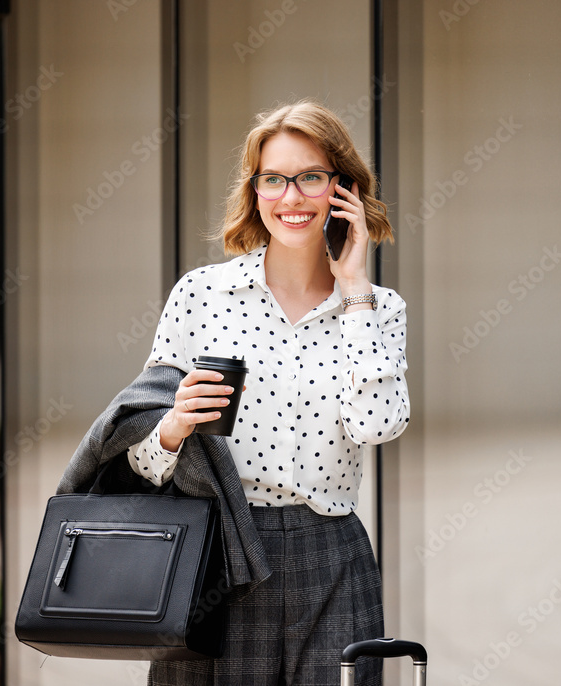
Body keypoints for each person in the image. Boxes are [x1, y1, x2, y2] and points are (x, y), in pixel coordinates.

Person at [59, 100, 409, 685]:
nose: (291, 197)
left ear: (342, 189)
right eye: (273, 179)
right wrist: (171, 429)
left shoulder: (378, 307)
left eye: (311, 177)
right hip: (217, 552)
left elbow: (378, 424)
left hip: (333, 559)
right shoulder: (201, 296)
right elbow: (143, 461)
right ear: (254, 191)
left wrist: (354, 288)